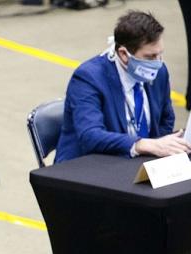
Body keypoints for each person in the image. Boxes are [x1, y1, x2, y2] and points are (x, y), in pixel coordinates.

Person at [55, 10, 191, 163]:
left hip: (136, 162)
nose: (158, 63)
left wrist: (157, 148)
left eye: (160, 54)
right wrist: (141, 145)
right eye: (150, 57)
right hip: (88, 167)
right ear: (124, 54)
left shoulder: (159, 72)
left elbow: (166, 118)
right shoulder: (88, 78)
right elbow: (90, 136)